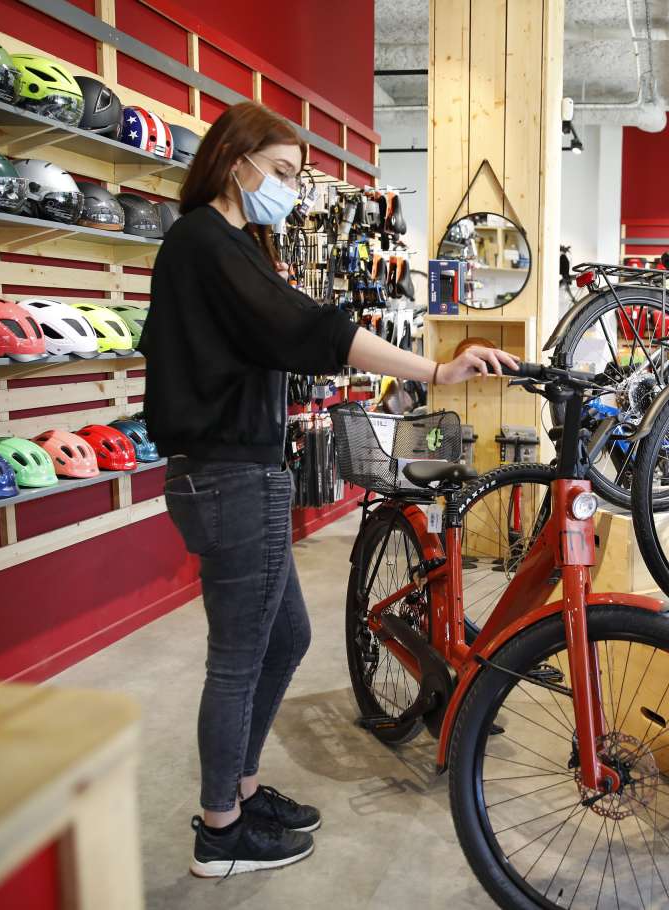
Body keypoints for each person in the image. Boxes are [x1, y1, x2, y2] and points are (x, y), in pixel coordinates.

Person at [139, 101, 516, 879]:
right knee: (240, 655)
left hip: (235, 472)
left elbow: (291, 329)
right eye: (278, 172)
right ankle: (220, 829)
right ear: (234, 161)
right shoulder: (205, 243)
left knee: (283, 640)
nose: (284, 188)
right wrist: (436, 370)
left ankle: (238, 793)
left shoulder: (221, 245)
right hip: (231, 476)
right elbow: (311, 329)